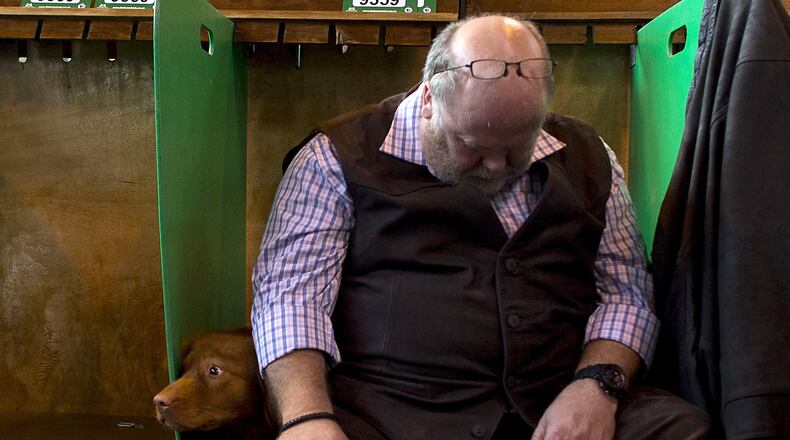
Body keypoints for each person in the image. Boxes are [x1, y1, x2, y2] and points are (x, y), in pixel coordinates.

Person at [251, 15, 711, 440]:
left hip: (561, 397)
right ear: (430, 98)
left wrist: (597, 385)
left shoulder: (590, 155)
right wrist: (306, 419)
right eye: (472, 145)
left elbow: (626, 294)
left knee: (684, 430)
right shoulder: (336, 156)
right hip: (390, 413)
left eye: (517, 147)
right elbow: (290, 301)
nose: (495, 164)